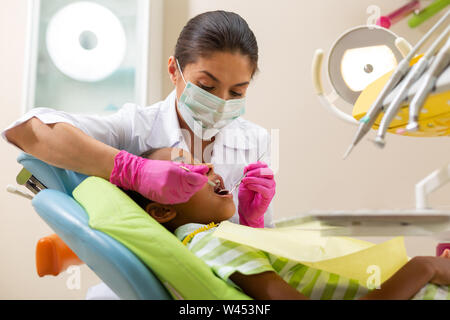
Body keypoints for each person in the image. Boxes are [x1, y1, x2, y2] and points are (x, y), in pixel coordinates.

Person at [2, 11, 275, 299]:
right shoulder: (136, 128)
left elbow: (260, 262)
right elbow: (27, 131)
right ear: (174, 70)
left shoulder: (254, 140)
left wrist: (252, 221)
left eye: (237, 93)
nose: (220, 104)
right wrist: (132, 169)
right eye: (206, 87)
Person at [125, 147, 450, 300]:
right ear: (162, 212)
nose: (208, 166)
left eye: (202, 160)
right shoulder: (211, 241)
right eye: (185, 167)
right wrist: (424, 268)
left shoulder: (220, 236)